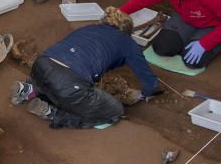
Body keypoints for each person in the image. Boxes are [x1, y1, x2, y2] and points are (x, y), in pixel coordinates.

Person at [9, 7, 161, 129]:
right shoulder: (127, 42)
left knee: (55, 84)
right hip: (69, 83)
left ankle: (30, 89)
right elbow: (150, 82)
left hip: (41, 65)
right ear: (127, 32)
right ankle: (54, 114)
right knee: (114, 111)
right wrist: (146, 93)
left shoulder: (89, 28)